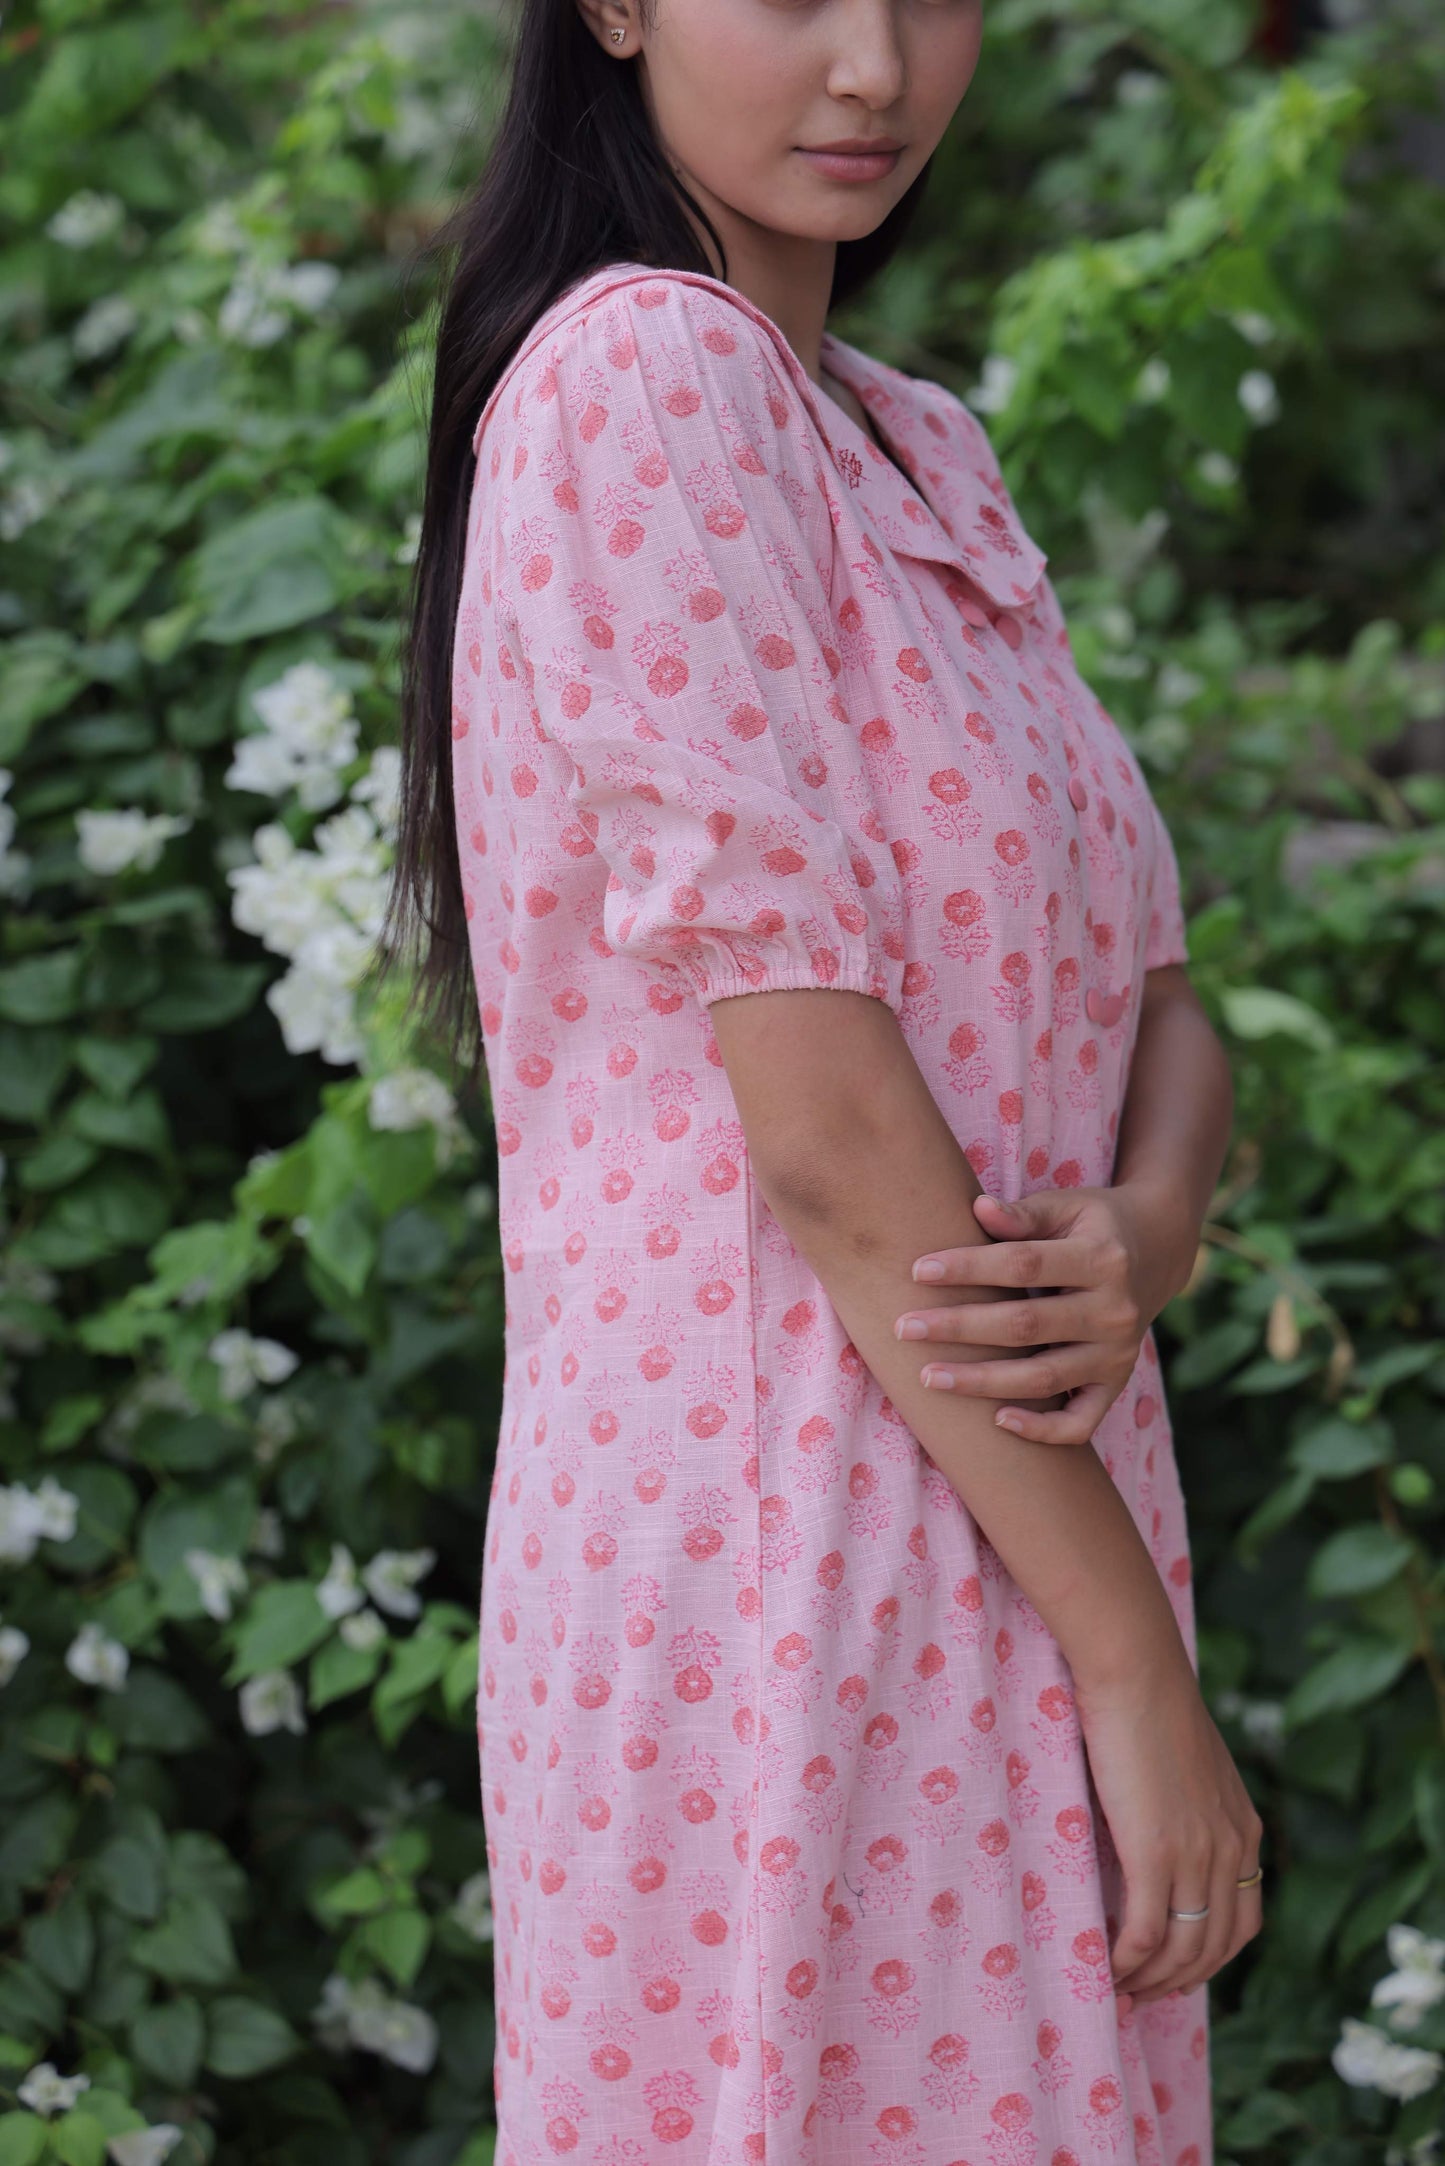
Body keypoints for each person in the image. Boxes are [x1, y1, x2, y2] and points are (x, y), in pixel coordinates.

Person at [384, 2, 1263, 2159]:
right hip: (790, 1528)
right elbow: (830, 1132)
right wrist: (1132, 1666)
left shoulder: (908, 440)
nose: (874, 65)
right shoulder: (640, 376)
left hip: (1015, 1498)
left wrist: (1143, 1233)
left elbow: (1156, 991)